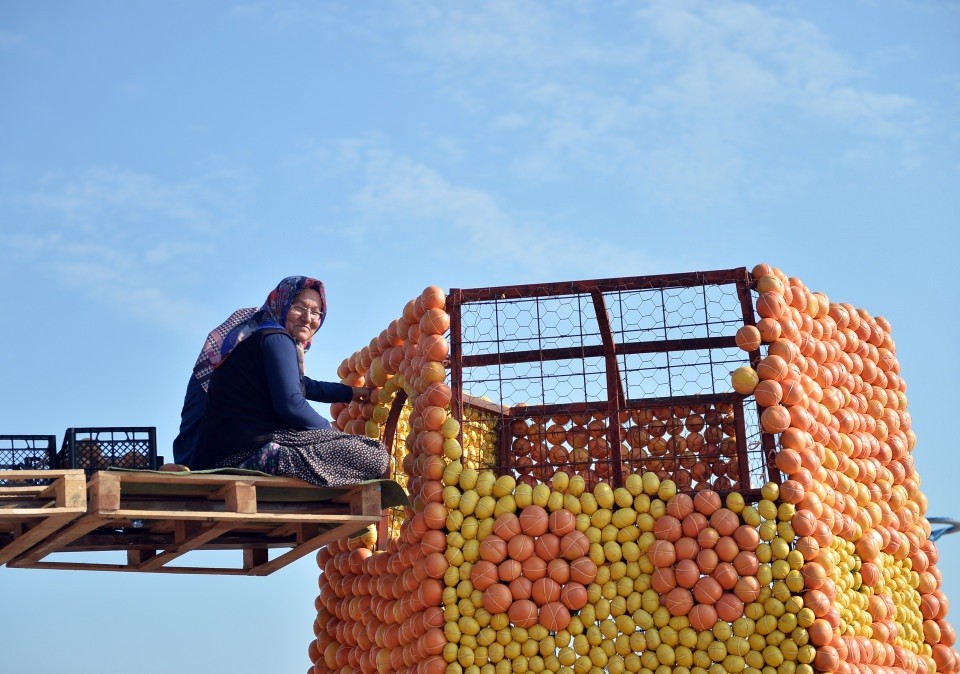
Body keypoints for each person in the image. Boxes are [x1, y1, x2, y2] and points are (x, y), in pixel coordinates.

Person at [182, 276, 390, 487]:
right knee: (375, 455)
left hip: (224, 454)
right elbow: (291, 405)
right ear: (282, 305)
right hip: (248, 454)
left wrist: (349, 393)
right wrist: (331, 433)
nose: (308, 318)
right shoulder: (276, 338)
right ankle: (274, 465)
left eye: (316, 312)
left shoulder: (257, 338)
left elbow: (299, 385)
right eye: (299, 307)